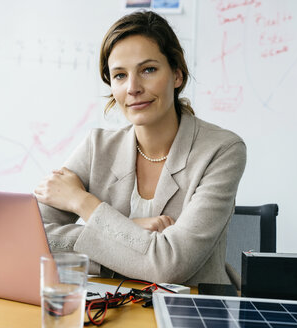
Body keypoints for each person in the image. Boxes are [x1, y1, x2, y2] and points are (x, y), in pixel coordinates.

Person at [34, 10, 246, 286]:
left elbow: (172, 265)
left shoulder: (222, 150)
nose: (132, 88)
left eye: (148, 70)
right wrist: (132, 233)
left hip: (195, 310)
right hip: (113, 305)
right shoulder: (96, 147)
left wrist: (83, 203)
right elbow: (32, 237)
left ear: (177, 75)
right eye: (120, 75)